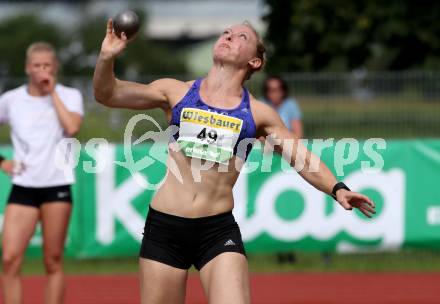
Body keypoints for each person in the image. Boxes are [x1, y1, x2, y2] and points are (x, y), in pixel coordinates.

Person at [93, 19, 375, 304]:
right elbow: (107, 94)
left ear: (254, 60)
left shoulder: (258, 113)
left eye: (241, 36)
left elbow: (301, 158)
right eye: (226, 33)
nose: (229, 36)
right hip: (166, 229)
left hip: (216, 232)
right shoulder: (175, 92)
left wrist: (338, 188)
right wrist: (106, 58)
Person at [0, 42, 83, 304]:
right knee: (10, 258)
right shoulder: (11, 99)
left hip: (56, 186)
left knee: (52, 260)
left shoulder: (69, 96)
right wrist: (2, 161)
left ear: (55, 67)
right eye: (37, 65)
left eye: (47, 65)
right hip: (24, 186)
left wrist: (51, 94)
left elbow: (72, 127)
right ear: (27, 68)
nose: (41, 70)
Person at [263, 75, 304, 264]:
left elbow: (297, 133)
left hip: (288, 158)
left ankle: (293, 247)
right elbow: (256, 135)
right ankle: (277, 248)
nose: (274, 93)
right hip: (268, 161)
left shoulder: (290, 106)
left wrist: (284, 149)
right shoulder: (262, 106)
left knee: (292, 205)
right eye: (271, 89)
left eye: (278, 89)